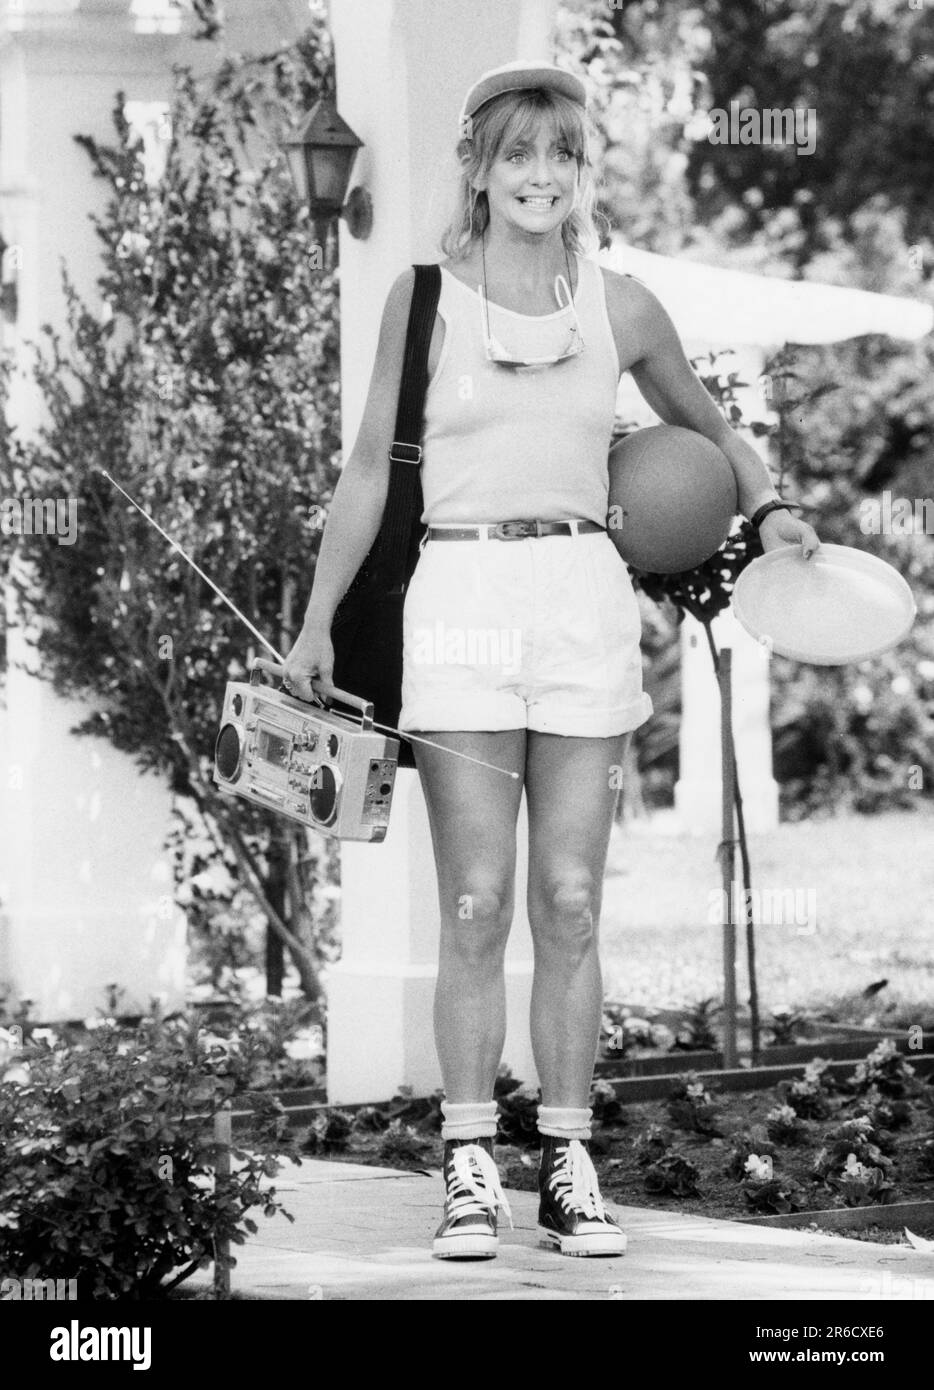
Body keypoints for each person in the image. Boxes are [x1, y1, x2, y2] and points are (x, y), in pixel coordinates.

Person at [284, 59, 821, 1260]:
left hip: (583, 595)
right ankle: (469, 1161)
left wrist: (770, 507)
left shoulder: (619, 303)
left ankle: (570, 1159)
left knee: (571, 902)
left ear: (583, 173)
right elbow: (369, 468)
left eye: (562, 156)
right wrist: (316, 623)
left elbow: (707, 425)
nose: (540, 175)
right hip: (461, 598)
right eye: (518, 153)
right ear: (478, 165)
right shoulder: (423, 298)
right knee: (475, 902)